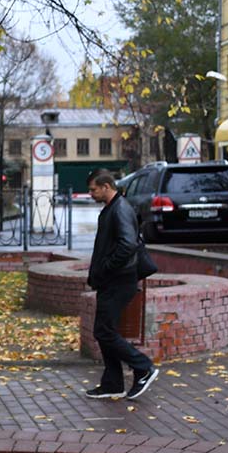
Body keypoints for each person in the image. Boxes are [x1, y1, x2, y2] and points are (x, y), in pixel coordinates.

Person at [84, 170, 158, 400]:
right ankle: (113, 383)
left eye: (93, 189)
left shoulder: (120, 209)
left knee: (103, 331)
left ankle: (143, 367)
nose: (91, 194)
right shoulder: (112, 208)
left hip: (119, 280)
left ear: (106, 186)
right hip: (111, 280)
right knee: (105, 331)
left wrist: (106, 267)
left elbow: (128, 245)